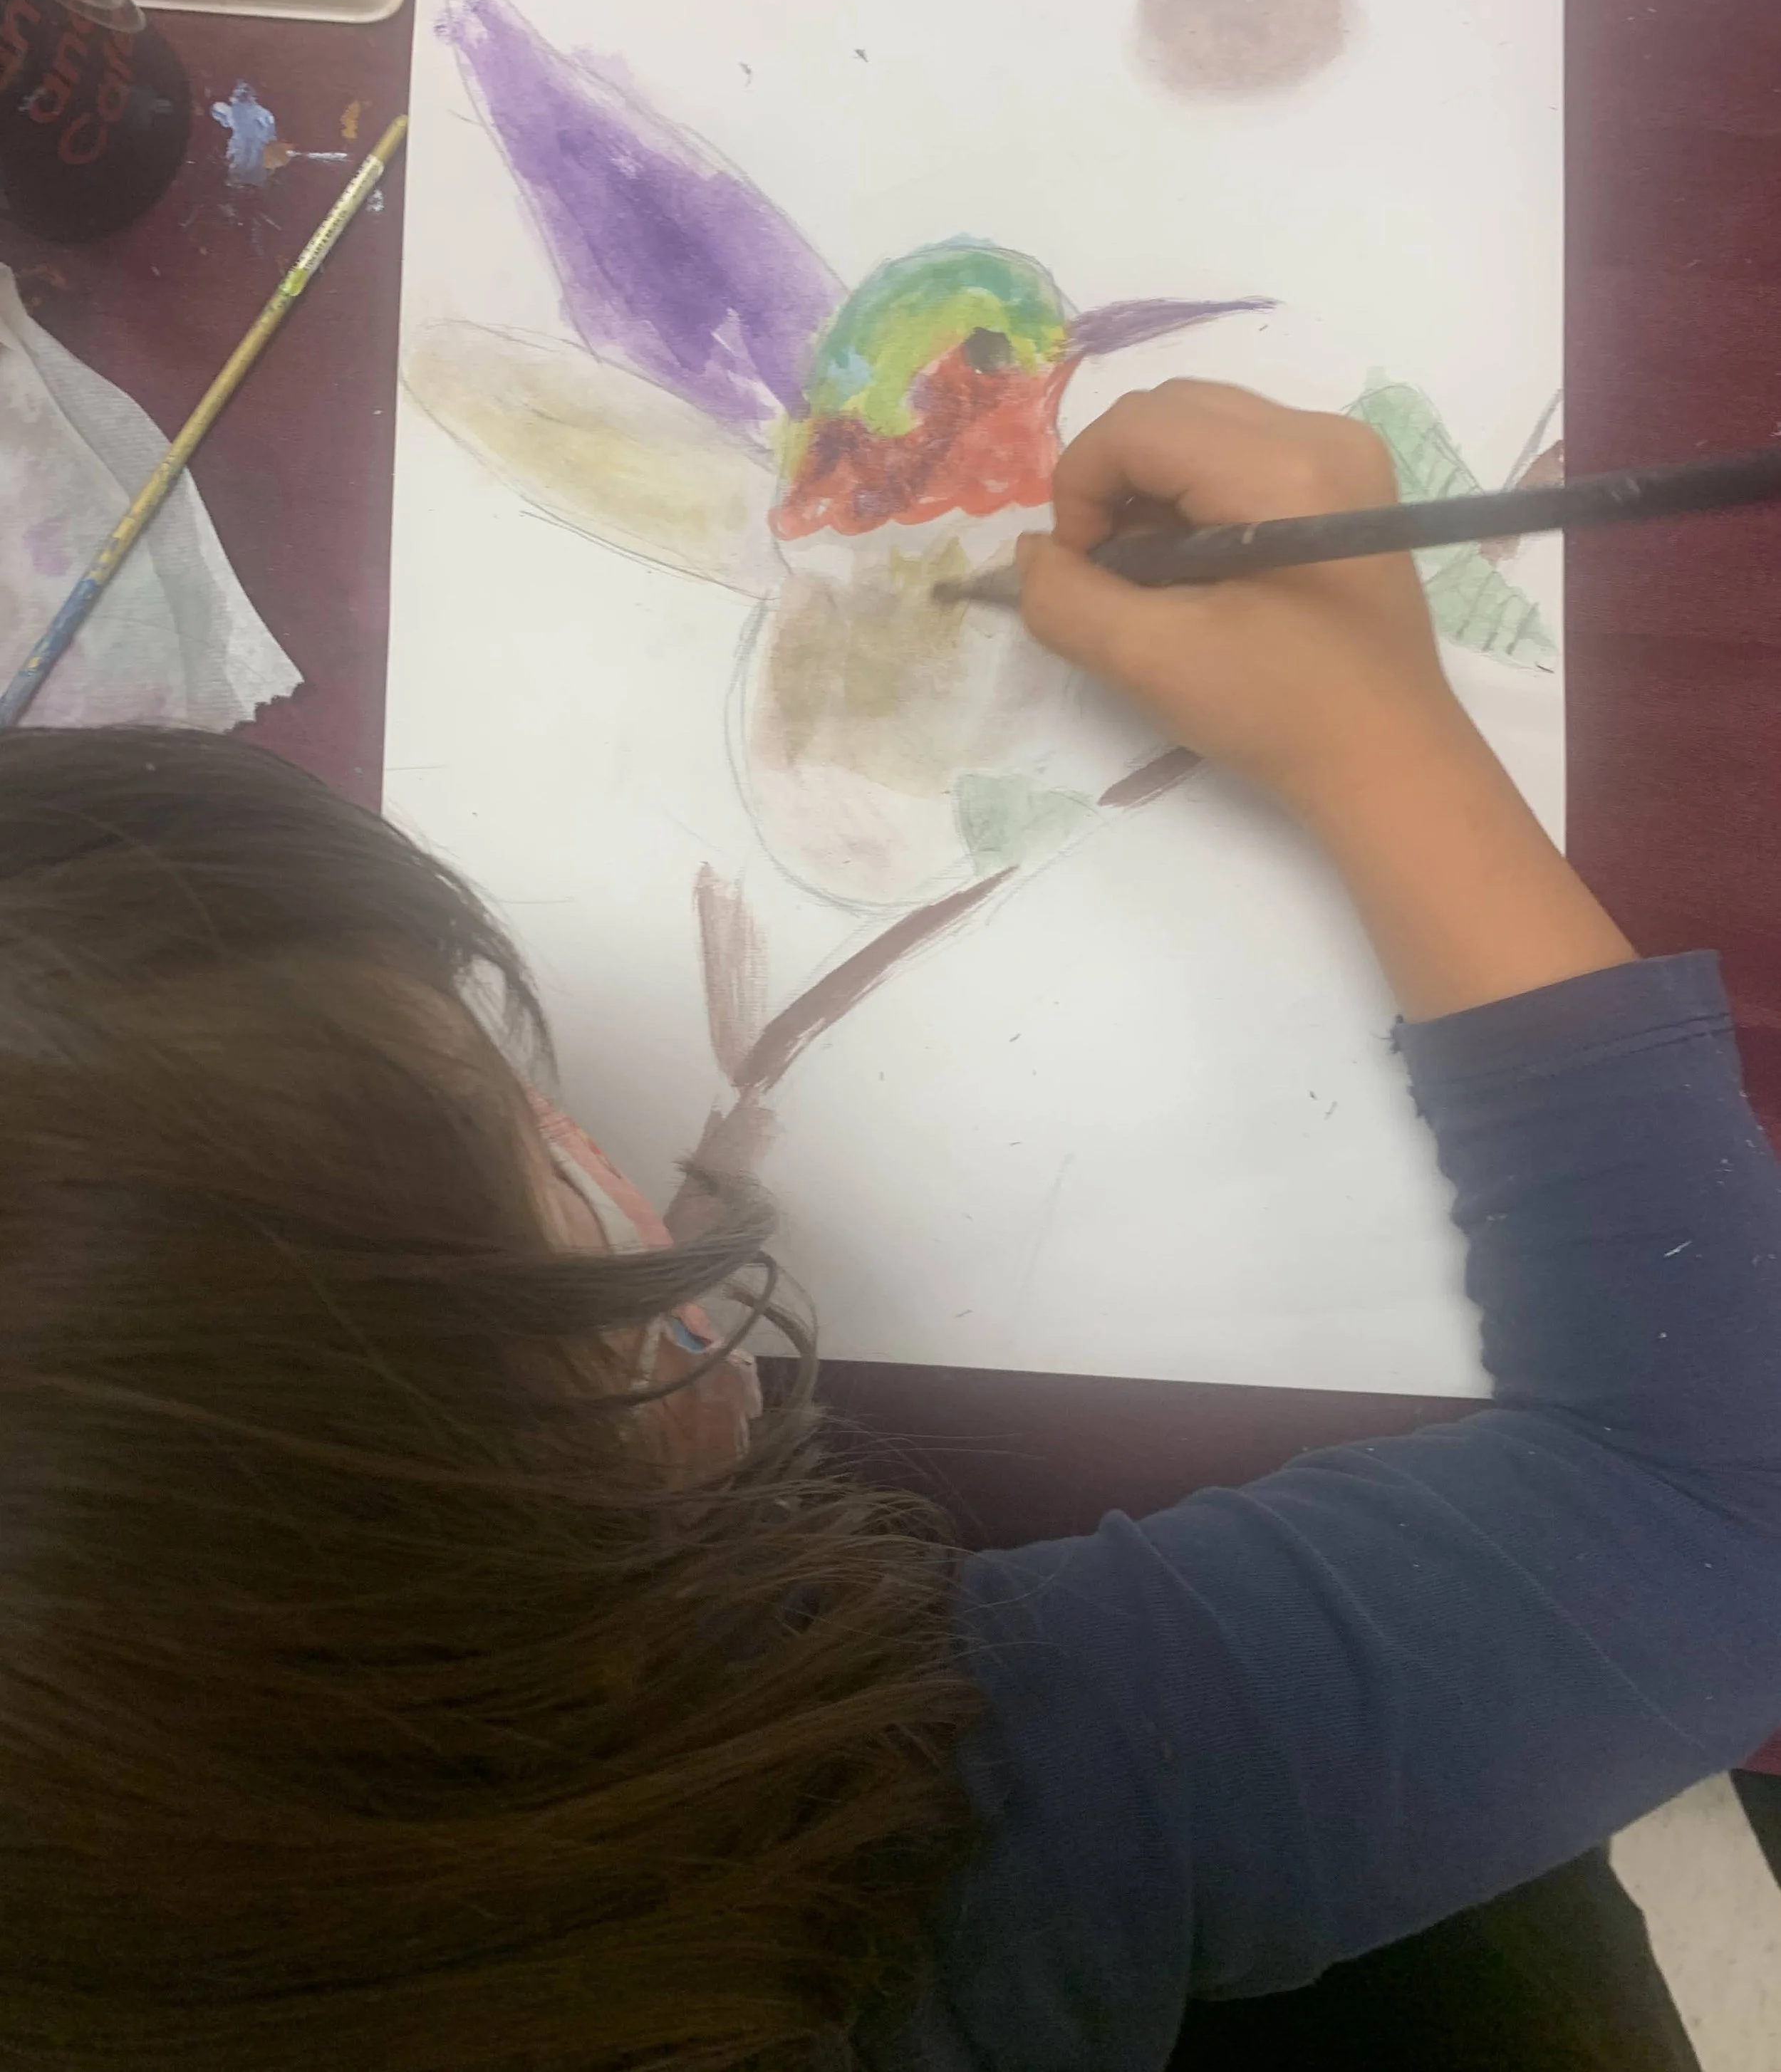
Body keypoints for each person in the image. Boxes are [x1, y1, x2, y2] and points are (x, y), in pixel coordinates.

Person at [1, 384, 1777, 2072]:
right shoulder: (924, 1832)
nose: (575, 1124)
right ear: (489, 1638)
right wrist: (1381, 737)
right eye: (528, 1167)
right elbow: (1718, 1502)